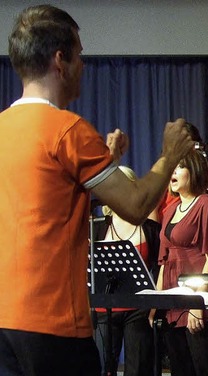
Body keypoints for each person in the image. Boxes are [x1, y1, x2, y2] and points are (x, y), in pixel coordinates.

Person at [0, 5, 193, 375]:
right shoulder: (67, 131)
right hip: (53, 327)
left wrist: (105, 159)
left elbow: (43, 199)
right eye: (81, 55)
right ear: (61, 61)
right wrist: (169, 156)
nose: (83, 66)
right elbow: (135, 206)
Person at [150, 149, 208, 376]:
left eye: (179, 168)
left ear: (194, 171)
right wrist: (156, 302)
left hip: (198, 299)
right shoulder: (171, 209)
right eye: (171, 169)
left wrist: (197, 304)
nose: (172, 173)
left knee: (204, 367)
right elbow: (164, 261)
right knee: (180, 368)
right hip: (173, 301)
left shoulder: (207, 204)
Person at [93, 166, 161, 376]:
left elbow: (160, 266)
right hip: (105, 310)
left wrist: (156, 303)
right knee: (104, 368)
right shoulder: (97, 227)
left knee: (138, 368)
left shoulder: (149, 228)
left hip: (139, 309)